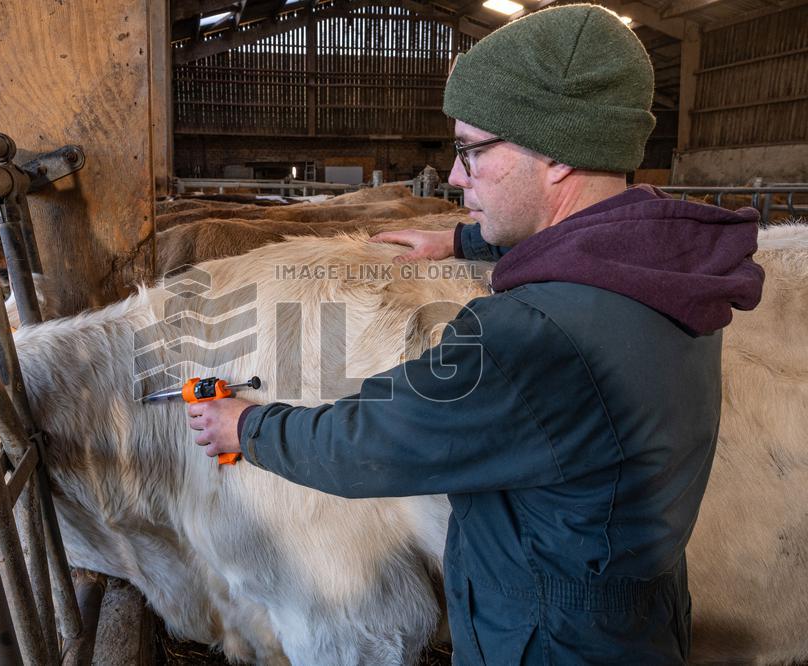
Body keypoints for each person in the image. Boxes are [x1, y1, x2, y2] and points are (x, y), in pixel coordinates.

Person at [187, 4, 765, 663]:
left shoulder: (529, 338)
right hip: (637, 620)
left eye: (472, 150)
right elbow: (584, 245)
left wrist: (248, 429)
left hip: (546, 641)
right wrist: (463, 239)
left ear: (553, 155)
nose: (456, 176)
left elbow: (374, 442)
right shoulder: (669, 267)